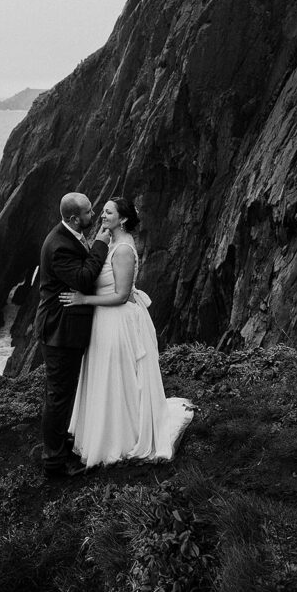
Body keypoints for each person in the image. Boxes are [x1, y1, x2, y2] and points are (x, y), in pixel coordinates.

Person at [60, 196, 193, 468]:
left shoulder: (122, 250)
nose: (102, 215)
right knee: (111, 377)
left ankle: (122, 436)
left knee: (119, 378)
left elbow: (121, 295)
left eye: (108, 212)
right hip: (106, 321)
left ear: (122, 219)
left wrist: (83, 300)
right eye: (103, 211)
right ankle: (109, 430)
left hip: (118, 320)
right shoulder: (112, 243)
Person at [34, 191, 111, 478]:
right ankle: (53, 460)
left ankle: (58, 444)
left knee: (60, 394)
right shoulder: (59, 246)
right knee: (58, 395)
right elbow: (82, 278)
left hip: (62, 329)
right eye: (90, 213)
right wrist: (101, 245)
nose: (95, 216)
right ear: (74, 219)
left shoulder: (67, 235)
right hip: (59, 331)